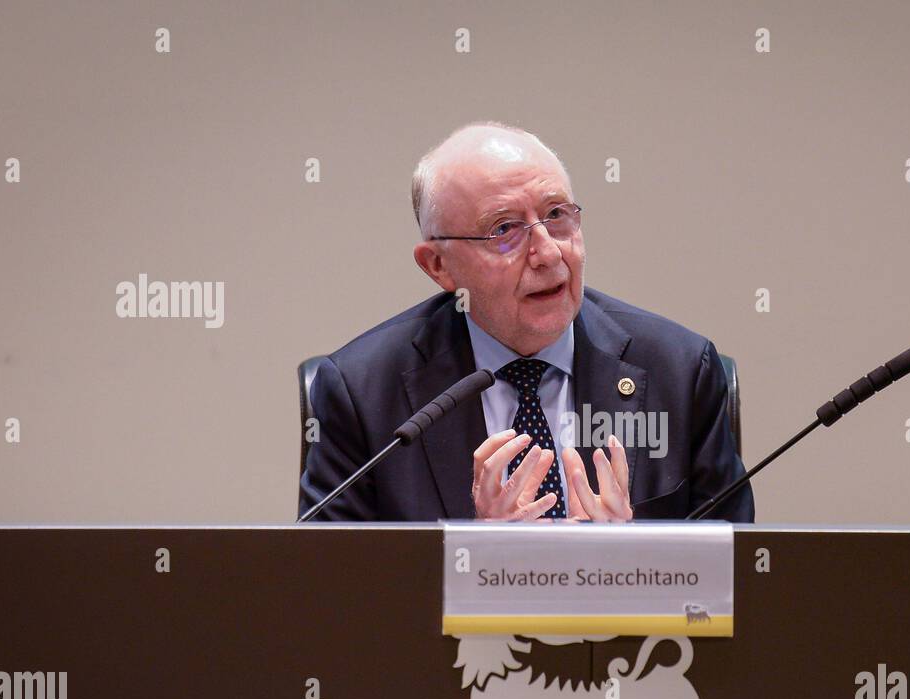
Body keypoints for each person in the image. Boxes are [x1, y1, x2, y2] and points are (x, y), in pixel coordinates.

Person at [297, 122, 754, 523]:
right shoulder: (361, 392)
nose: (549, 253)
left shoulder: (680, 370)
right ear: (439, 265)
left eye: (557, 215)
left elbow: (738, 586)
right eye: (504, 230)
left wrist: (629, 559)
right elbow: (334, 593)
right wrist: (474, 560)